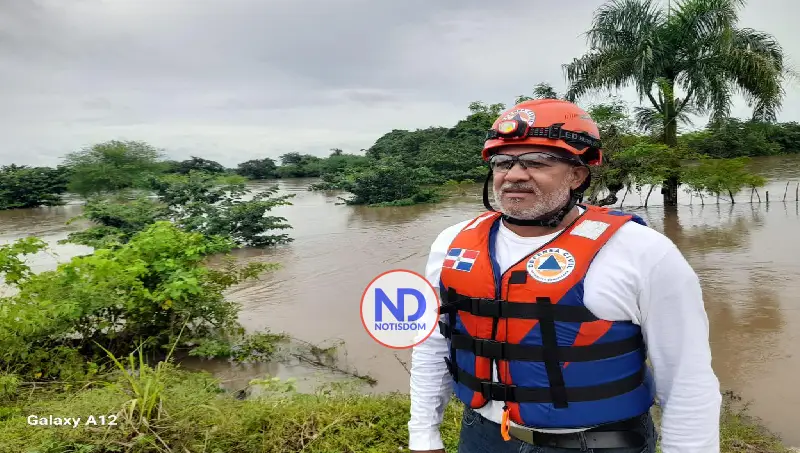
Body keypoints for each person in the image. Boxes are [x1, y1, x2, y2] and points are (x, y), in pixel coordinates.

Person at [407, 99, 722, 453]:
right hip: (483, 436)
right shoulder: (451, 243)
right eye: (502, 162)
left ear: (577, 174)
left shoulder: (643, 251)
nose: (514, 175)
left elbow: (686, 378)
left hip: (599, 443)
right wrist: (423, 435)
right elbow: (433, 343)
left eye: (536, 162)